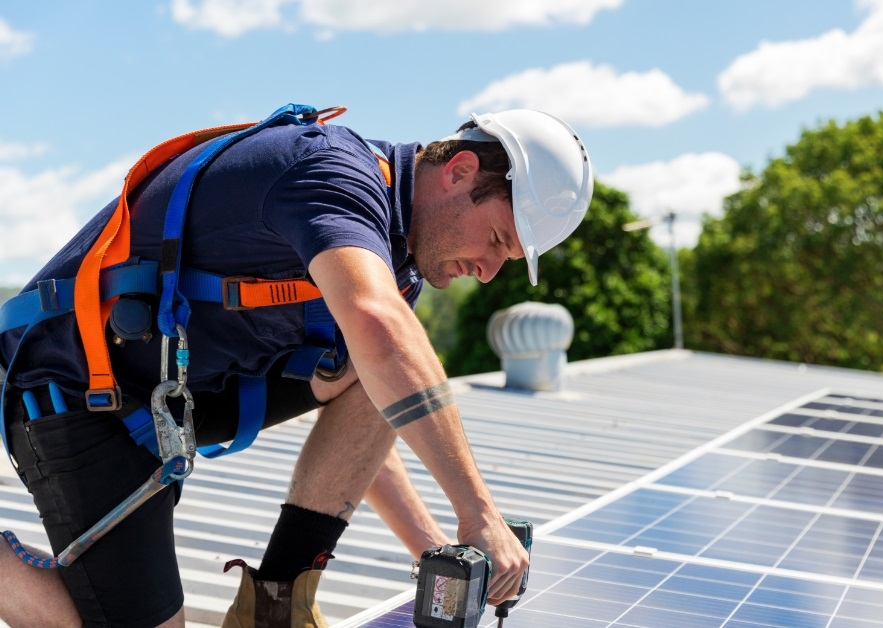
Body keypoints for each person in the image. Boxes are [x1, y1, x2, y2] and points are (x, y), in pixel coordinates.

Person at [0, 105, 593, 627]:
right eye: (497, 239)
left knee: (377, 368)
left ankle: (276, 605)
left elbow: (378, 404)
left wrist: (433, 548)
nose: (487, 271)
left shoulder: (393, 261)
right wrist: (479, 513)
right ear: (459, 171)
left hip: (168, 389)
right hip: (74, 385)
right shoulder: (329, 172)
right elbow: (381, 329)